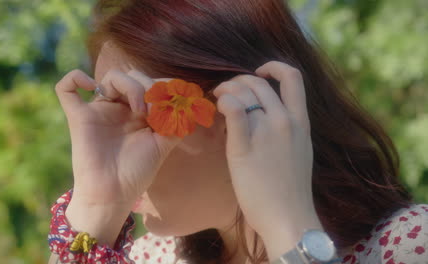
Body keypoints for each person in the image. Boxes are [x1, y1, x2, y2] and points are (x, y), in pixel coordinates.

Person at [48, 0, 428, 263]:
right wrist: (95, 211)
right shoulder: (155, 257)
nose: (115, 142)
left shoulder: (410, 244)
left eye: (135, 109)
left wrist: (291, 233)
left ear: (250, 105)